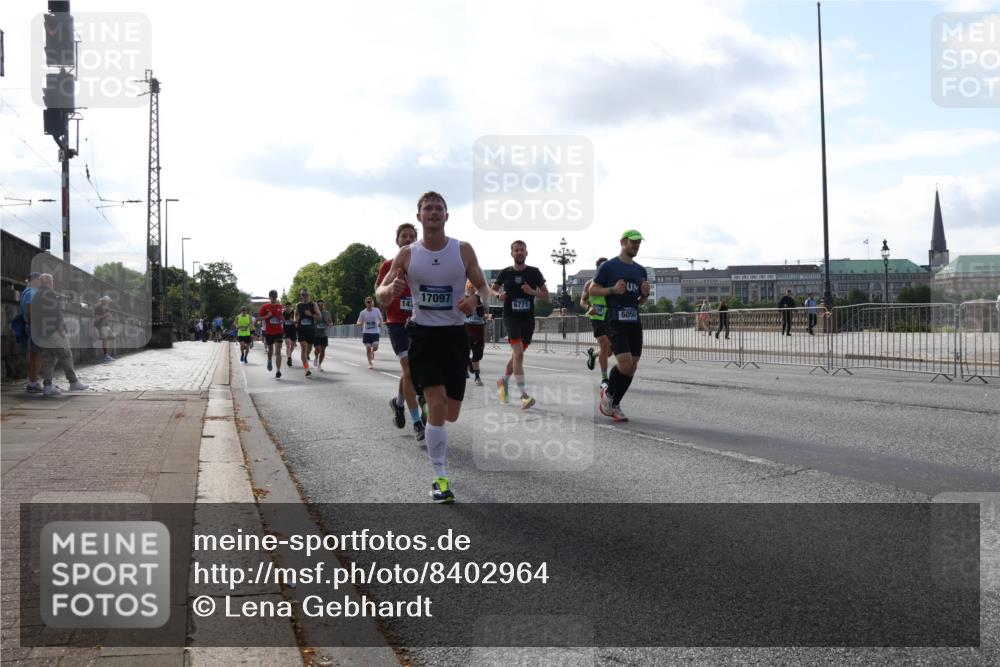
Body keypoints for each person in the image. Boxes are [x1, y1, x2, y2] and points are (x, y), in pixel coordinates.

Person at [375, 191, 490, 503]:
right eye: (428, 208)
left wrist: (475, 299)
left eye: (439, 207)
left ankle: (429, 405)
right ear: (420, 217)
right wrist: (391, 289)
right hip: (422, 335)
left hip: (455, 336)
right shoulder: (408, 255)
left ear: (447, 216)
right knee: (438, 402)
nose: (434, 211)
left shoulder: (462, 250)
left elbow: (483, 286)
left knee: (450, 413)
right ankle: (440, 477)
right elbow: (381, 295)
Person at [590, 230, 649, 422]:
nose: (636, 246)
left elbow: (640, 301)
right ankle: (608, 396)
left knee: (632, 367)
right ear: (623, 242)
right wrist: (613, 290)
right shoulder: (609, 266)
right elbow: (593, 289)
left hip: (634, 320)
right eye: (633, 242)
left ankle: (614, 404)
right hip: (615, 320)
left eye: (639, 243)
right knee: (624, 363)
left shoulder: (641, 270)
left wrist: (646, 295)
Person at [375, 222, 426, 441]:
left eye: (411, 236)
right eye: (403, 236)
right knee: (408, 368)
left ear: (417, 239)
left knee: (412, 372)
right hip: (396, 323)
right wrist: (390, 294)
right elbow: (380, 296)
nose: (407, 239)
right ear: (397, 241)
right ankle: (417, 424)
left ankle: (398, 403)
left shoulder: (424, 264)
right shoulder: (388, 265)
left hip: (420, 322)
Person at [492, 240, 549, 409]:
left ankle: (503, 382)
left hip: (527, 319)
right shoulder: (505, 273)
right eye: (516, 250)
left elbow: (546, 296)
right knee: (519, 354)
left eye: (522, 250)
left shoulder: (534, 272)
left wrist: (532, 292)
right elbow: (492, 289)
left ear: (526, 253)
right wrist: (497, 295)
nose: (519, 252)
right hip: (511, 317)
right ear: (511, 253)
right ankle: (523, 395)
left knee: (517, 355)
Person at [30, 273, 88, 396]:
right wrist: (61, 329)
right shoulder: (49, 294)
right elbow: (55, 313)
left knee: (48, 359)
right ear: (50, 282)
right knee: (65, 355)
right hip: (53, 332)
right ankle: (73, 382)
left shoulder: (35, 296)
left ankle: (47, 386)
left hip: (42, 333)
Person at [581, 257, 611, 387]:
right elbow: (582, 301)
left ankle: (593, 355)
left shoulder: (612, 283)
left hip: (610, 317)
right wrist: (589, 308)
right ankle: (605, 378)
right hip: (596, 317)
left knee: (610, 350)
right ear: (598, 268)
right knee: (604, 345)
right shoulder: (590, 284)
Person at [20, 272, 44, 392]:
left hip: (30, 326)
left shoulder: (26, 291)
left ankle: (32, 381)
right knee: (38, 356)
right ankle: (33, 382)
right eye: (40, 280)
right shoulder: (31, 293)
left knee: (34, 355)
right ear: (35, 280)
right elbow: (31, 311)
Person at [464, 280, 490, 387]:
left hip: (479, 327)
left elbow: (484, 314)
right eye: (470, 287)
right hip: (467, 326)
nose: (472, 289)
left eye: (474, 288)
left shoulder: (481, 299)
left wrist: (487, 317)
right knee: (465, 350)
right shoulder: (464, 298)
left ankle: (473, 370)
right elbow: (463, 314)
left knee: (478, 353)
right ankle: (477, 376)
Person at [259, 290, 285, 378]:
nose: (274, 298)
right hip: (269, 332)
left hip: (279, 331)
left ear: (277, 297)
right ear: (269, 297)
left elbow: (283, 319)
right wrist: (268, 316)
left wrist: (281, 317)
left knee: (278, 351)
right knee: (270, 351)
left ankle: (278, 371)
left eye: (275, 297)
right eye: (272, 297)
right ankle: (269, 360)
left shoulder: (280, 306)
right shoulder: (265, 307)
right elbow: (259, 318)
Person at [295, 289, 318, 377]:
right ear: (301, 296)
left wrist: (310, 315)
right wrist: (295, 320)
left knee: (309, 349)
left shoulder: (313, 305)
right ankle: (306, 369)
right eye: (303, 295)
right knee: (304, 349)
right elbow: (296, 314)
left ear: (309, 295)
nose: (305, 296)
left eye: (306, 294)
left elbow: (319, 316)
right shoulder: (299, 305)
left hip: (310, 330)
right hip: (301, 330)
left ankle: (305, 359)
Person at [357, 297, 383, 370]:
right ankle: (370, 363)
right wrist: (360, 323)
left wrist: (380, 323)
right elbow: (358, 322)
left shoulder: (376, 310)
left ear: (373, 303)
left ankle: (373, 351)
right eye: (368, 302)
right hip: (367, 332)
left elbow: (380, 318)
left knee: (376, 346)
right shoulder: (363, 312)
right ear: (365, 303)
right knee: (368, 347)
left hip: (375, 332)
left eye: (370, 302)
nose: (369, 304)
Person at [313, 299, 333, 371]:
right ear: (317, 306)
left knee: (323, 351)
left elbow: (331, 322)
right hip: (316, 334)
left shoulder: (327, 313)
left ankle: (319, 365)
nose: (321, 306)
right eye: (319, 305)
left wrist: (330, 324)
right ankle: (315, 357)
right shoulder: (314, 313)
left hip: (324, 334)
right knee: (318, 349)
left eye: (322, 304)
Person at [94, 296, 115, 362]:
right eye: (108, 301)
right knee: (104, 340)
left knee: (112, 337)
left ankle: (105, 355)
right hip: (100, 326)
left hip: (106, 326)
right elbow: (96, 318)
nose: (109, 302)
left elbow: (109, 316)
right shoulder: (98, 308)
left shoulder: (106, 307)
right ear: (105, 301)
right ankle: (105, 356)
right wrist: (105, 316)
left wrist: (109, 316)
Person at [282, 301, 297, 366]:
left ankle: (289, 355)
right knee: (288, 345)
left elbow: (296, 321)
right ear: (285, 307)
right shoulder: (283, 313)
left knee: (292, 347)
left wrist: (292, 321)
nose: (287, 308)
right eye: (286, 307)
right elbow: (281, 321)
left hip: (293, 331)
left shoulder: (294, 312)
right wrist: (283, 320)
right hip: (286, 331)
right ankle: (289, 358)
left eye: (288, 307)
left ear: (290, 307)